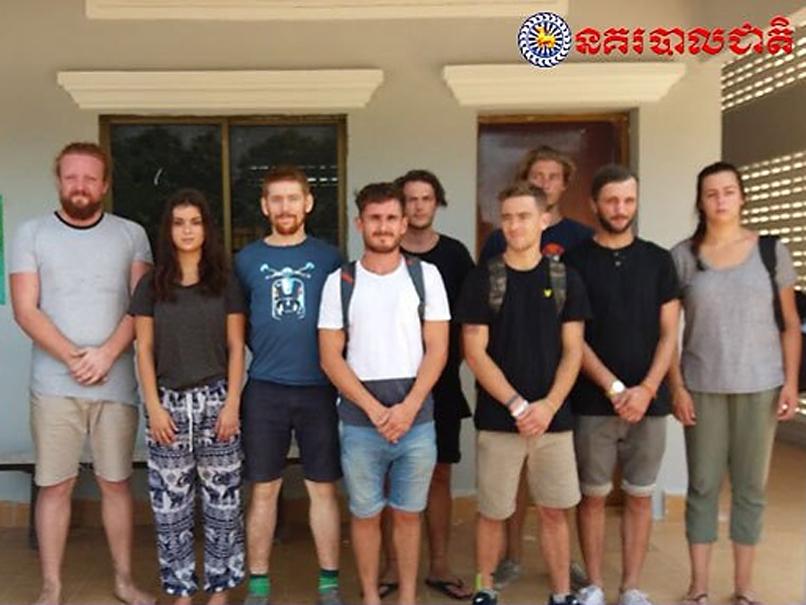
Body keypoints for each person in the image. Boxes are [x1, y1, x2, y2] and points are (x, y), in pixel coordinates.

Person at [9, 141, 154, 605]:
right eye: (72, 176)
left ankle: (124, 581)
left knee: (115, 483)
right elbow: (25, 309)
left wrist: (107, 354)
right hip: (53, 386)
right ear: (59, 180)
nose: (80, 186)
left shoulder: (132, 234)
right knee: (55, 485)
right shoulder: (30, 234)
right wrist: (75, 357)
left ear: (105, 185)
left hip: (116, 384)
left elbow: (141, 306)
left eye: (90, 178)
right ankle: (51, 588)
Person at [668, 161, 801, 605]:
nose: (721, 199)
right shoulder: (684, 255)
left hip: (761, 384)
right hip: (702, 386)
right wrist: (677, 387)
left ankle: (744, 587)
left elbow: (788, 323)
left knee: (750, 487)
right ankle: (699, 586)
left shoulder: (770, 251)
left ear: (742, 196)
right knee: (703, 485)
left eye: (728, 191)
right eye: (711, 193)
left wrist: (789, 383)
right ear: (701, 201)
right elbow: (669, 332)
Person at [457, 181, 591, 605]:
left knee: (554, 511)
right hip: (500, 420)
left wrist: (548, 405)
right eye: (508, 217)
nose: (515, 225)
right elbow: (474, 352)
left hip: (554, 420)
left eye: (524, 216)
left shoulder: (566, 278)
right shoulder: (484, 279)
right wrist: (517, 405)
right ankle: (484, 589)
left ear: (545, 219)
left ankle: (562, 593)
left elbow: (574, 351)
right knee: (493, 511)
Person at [318, 182, 450, 605]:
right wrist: (376, 411)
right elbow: (330, 357)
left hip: (416, 419)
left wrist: (408, 408)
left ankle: (407, 597)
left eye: (391, 217)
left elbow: (439, 348)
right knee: (365, 515)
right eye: (374, 218)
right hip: (360, 422)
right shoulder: (339, 281)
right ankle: (372, 597)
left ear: (404, 221)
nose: (383, 226)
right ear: (360, 223)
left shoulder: (425, 277)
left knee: (409, 516)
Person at [562, 165, 680, 605]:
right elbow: (574, 338)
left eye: (628, 200)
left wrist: (647, 389)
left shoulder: (658, 260)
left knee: (638, 497)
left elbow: (670, 333)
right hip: (594, 402)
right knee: (591, 497)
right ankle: (593, 585)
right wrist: (614, 388)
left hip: (649, 403)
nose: (620, 209)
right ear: (594, 204)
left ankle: (631, 587)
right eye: (611, 200)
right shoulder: (574, 263)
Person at [131, 188, 246, 604]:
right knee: (171, 509)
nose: (187, 230)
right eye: (179, 222)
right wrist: (154, 407)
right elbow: (142, 348)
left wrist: (233, 402)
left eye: (195, 222)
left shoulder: (225, 282)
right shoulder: (151, 284)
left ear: (206, 228)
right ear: (168, 230)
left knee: (222, 505)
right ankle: (181, 590)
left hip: (217, 400)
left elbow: (236, 346)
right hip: (169, 404)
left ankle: (219, 590)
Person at [235, 166, 344, 605]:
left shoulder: (330, 258)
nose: (285, 207)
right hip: (265, 388)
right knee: (264, 488)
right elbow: (239, 326)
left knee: (322, 487)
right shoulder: (245, 261)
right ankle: (258, 586)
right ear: (265, 206)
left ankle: (329, 584)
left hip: (319, 387)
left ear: (308, 203)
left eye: (292, 198)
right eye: (276, 199)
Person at [373, 170, 474, 601]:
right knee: (387, 477)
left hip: (441, 384)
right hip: (388, 386)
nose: (417, 206)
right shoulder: (379, 258)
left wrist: (448, 367)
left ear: (437, 203)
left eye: (425, 198)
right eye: (409, 199)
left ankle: (438, 563)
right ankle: (393, 566)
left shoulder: (454, 256)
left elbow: (469, 323)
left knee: (437, 475)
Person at [478, 145, 592, 263]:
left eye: (553, 177)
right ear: (524, 181)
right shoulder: (500, 240)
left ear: (564, 184)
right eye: (537, 176)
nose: (545, 185)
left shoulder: (583, 238)